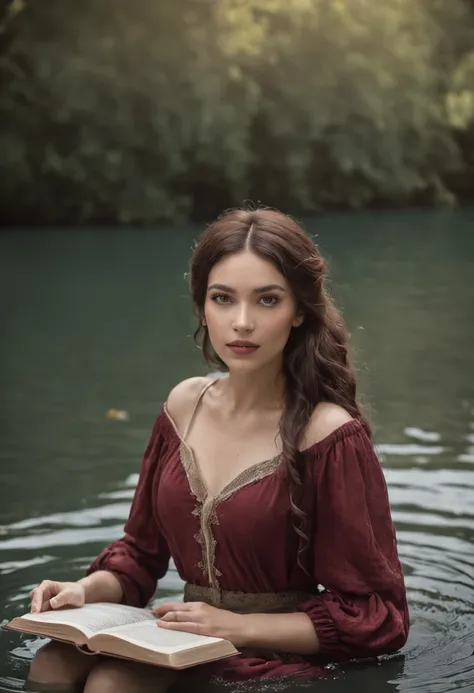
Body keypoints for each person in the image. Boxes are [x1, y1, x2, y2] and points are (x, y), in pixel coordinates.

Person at [26, 208, 409, 693]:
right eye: (222, 298)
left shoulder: (329, 433)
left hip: (275, 652)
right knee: (52, 664)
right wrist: (82, 591)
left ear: (298, 310)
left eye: (267, 300)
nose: (242, 322)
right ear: (202, 307)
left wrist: (236, 626)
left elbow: (379, 617)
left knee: (114, 683)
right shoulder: (183, 405)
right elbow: (140, 556)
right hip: (184, 633)